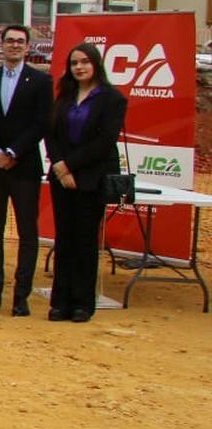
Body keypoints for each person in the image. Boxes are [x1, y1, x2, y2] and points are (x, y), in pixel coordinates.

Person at [44, 42, 127, 324]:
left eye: (84, 62)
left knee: (85, 241)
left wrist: (70, 165)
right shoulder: (64, 97)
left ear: (95, 65)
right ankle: (60, 302)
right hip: (61, 180)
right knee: (64, 240)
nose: (79, 67)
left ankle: (82, 303)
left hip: (91, 180)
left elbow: (105, 141)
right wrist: (59, 165)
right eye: (74, 63)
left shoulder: (112, 99)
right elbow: (51, 134)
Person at [0, 24, 54, 318]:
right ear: (1, 44)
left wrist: (13, 152)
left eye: (19, 42)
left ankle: (21, 296)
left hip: (24, 167)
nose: (14, 45)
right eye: (9, 41)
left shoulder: (41, 81)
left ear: (27, 46)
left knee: (27, 232)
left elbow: (42, 122)